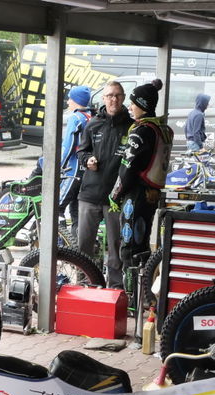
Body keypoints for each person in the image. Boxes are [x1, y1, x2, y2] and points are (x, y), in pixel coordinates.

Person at [109, 79, 172, 269]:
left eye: (133, 103)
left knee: (130, 251)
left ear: (143, 105)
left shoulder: (142, 131)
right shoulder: (160, 128)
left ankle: (132, 288)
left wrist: (115, 195)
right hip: (151, 194)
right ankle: (144, 286)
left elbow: (128, 168)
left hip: (135, 195)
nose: (130, 107)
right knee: (142, 245)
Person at [78, 80, 134, 289]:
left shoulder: (131, 127)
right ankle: (84, 284)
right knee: (84, 244)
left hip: (116, 197)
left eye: (118, 95)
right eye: (110, 95)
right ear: (103, 98)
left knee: (116, 246)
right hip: (90, 194)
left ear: (123, 98)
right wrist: (87, 160)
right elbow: (82, 151)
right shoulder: (93, 124)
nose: (114, 99)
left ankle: (116, 288)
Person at [58, 84, 93, 230]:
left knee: (57, 207)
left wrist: (59, 166)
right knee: (76, 210)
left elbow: (68, 145)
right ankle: (76, 241)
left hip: (73, 169)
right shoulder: (91, 116)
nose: (68, 102)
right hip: (87, 170)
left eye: (70, 99)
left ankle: (58, 239)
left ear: (76, 101)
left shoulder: (75, 118)